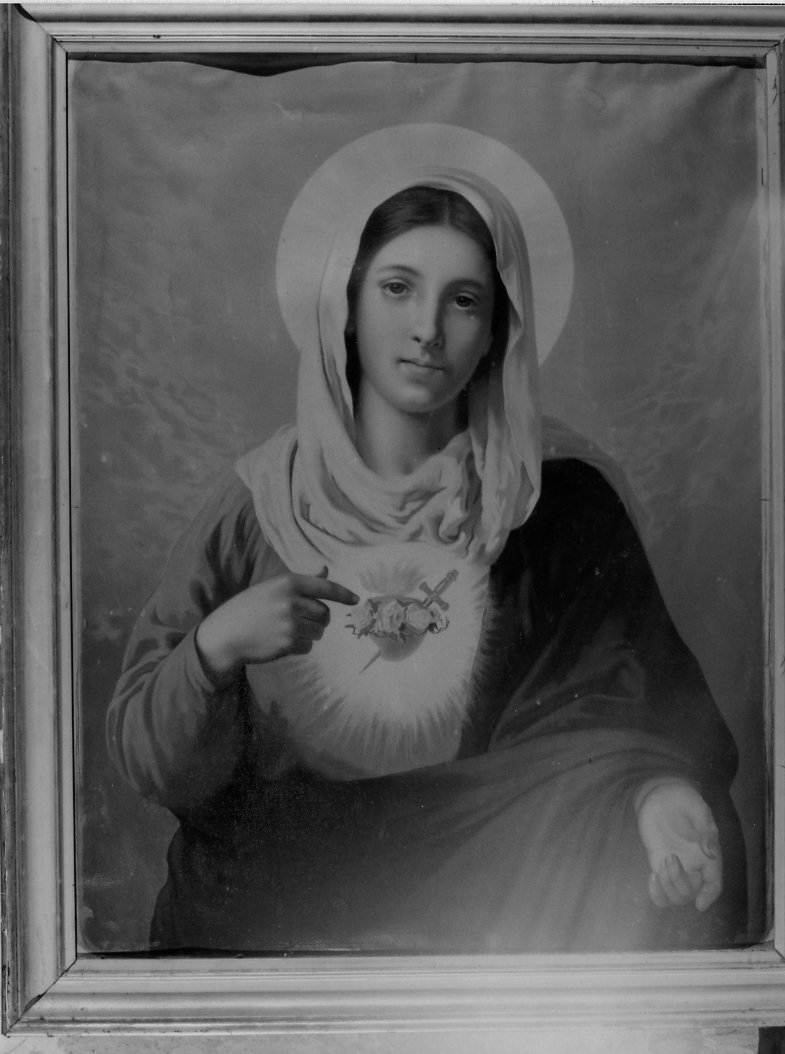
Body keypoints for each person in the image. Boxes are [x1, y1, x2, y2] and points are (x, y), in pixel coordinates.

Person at [107, 124, 747, 953]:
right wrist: (215, 647)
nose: (428, 329)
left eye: (464, 300)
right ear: (345, 305)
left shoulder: (559, 504)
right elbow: (152, 764)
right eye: (398, 288)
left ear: (500, 330)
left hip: (499, 882)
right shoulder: (256, 505)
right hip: (290, 887)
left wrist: (654, 792)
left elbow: (631, 716)